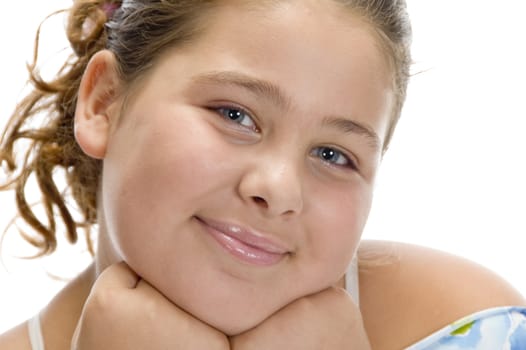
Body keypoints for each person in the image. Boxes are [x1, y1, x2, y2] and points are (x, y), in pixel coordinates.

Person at [0, 0, 525, 349]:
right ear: (105, 103)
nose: (278, 189)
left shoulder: (467, 321)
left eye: (332, 154)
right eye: (236, 115)